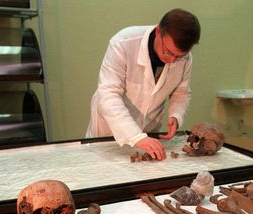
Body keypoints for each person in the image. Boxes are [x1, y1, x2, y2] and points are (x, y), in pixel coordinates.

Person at [85, 8, 200, 160]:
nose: (172, 60)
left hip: (149, 132)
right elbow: (108, 94)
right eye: (168, 52)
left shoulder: (185, 58)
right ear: (159, 31)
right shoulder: (123, 43)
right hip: (109, 134)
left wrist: (176, 115)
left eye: (179, 56)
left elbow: (181, 92)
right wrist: (135, 136)